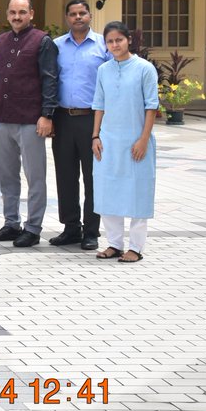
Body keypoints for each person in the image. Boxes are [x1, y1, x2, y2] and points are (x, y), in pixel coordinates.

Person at [0, 0, 58, 248]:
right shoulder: (1, 41)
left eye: (22, 12)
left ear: (31, 14)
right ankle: (11, 223)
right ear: (7, 15)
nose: (17, 17)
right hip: (3, 118)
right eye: (13, 12)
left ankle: (33, 227)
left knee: (34, 176)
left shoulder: (42, 41)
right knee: (7, 176)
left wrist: (47, 114)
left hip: (30, 119)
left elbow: (50, 79)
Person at [91, 21, 158, 263]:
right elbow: (99, 105)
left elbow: (151, 106)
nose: (115, 44)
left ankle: (136, 247)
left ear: (128, 40)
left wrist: (143, 139)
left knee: (138, 191)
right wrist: (95, 136)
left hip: (136, 141)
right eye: (110, 41)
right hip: (108, 141)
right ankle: (114, 244)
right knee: (108, 191)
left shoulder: (144, 68)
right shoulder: (103, 70)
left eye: (119, 39)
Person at [51, 0, 112, 250]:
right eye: (73, 14)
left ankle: (91, 231)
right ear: (67, 18)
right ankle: (71, 227)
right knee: (65, 176)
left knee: (93, 177)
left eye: (82, 13)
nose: (78, 17)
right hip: (63, 118)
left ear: (90, 16)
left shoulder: (103, 46)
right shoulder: (56, 46)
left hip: (92, 119)